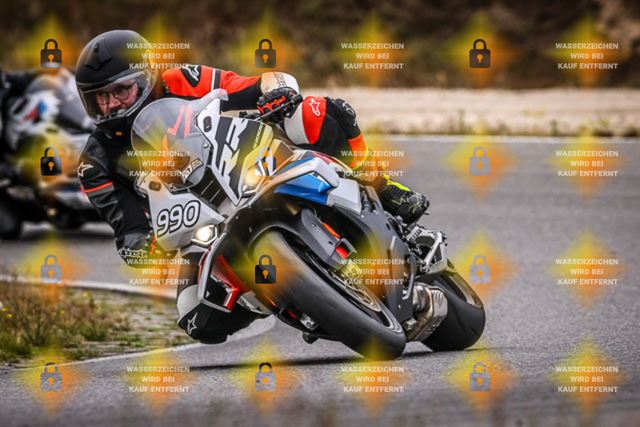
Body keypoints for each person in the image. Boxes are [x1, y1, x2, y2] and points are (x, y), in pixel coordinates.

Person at [75, 30, 429, 343]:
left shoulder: (180, 80)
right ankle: (299, 300)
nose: (111, 104)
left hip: (244, 167)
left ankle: (383, 189)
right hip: (201, 230)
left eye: (120, 90)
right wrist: (141, 248)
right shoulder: (95, 163)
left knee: (314, 112)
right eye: (99, 97)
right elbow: (129, 230)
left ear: (148, 76)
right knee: (198, 319)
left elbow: (259, 83)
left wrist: (278, 93)